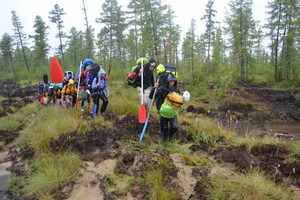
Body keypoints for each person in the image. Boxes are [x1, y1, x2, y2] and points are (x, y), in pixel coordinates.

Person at [151, 74, 181, 142]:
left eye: (173, 82)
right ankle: (164, 140)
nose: (172, 83)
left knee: (174, 127)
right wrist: (154, 88)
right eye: (170, 82)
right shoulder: (162, 88)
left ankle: (171, 137)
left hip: (172, 111)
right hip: (163, 110)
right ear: (167, 81)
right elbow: (152, 96)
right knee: (164, 129)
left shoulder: (176, 90)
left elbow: (179, 100)